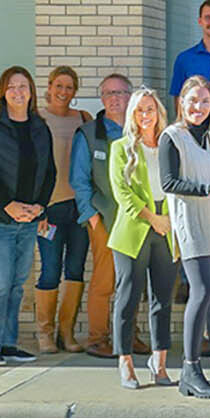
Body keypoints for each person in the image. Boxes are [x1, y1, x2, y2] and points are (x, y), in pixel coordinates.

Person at [159, 76, 210, 399]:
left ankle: (188, 377)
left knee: (207, 294)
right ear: (181, 102)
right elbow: (169, 183)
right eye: (193, 100)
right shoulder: (172, 137)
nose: (199, 107)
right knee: (201, 292)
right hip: (190, 225)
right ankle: (191, 369)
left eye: (205, 101)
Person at [0, 66, 54, 367]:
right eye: (11, 87)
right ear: (2, 93)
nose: (18, 92)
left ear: (31, 92)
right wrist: (9, 205)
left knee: (17, 283)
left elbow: (49, 171)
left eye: (23, 86)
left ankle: (8, 343)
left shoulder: (39, 127)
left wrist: (39, 206)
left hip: (27, 220)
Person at [107, 88, 177, 389]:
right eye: (139, 110)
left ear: (159, 113)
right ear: (132, 115)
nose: (145, 115)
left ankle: (159, 363)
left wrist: (170, 221)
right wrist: (153, 218)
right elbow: (122, 194)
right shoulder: (121, 148)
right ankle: (125, 362)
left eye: (150, 109)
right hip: (135, 228)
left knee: (163, 299)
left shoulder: (170, 146)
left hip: (168, 229)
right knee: (129, 298)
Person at [71, 72, 133, 358]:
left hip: (137, 218)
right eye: (109, 93)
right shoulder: (88, 134)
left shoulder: (140, 129)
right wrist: (91, 217)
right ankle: (98, 338)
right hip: (104, 218)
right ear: (101, 98)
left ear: (130, 96)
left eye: (120, 92)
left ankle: (128, 338)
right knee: (105, 280)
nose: (115, 98)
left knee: (134, 281)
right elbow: (79, 179)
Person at [35, 65, 92, 354]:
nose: (64, 92)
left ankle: (66, 333)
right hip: (50, 209)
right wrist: (37, 209)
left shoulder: (82, 119)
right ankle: (44, 333)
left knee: (75, 269)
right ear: (49, 86)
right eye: (59, 86)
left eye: (69, 87)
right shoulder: (38, 119)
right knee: (50, 270)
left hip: (79, 208)